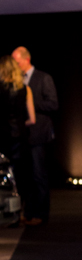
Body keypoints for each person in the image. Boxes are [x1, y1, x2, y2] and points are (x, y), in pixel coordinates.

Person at [11, 46, 58, 225]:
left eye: (16, 62)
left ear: (26, 60)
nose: (15, 66)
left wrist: (28, 102)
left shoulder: (43, 78)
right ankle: (28, 212)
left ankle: (41, 214)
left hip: (39, 134)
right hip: (23, 135)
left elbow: (53, 104)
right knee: (26, 176)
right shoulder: (16, 80)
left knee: (39, 174)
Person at [0, 56, 36, 210]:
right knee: (21, 177)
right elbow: (32, 120)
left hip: (2, 138)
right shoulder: (26, 90)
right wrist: (21, 124)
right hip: (20, 138)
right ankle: (19, 211)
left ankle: (4, 211)